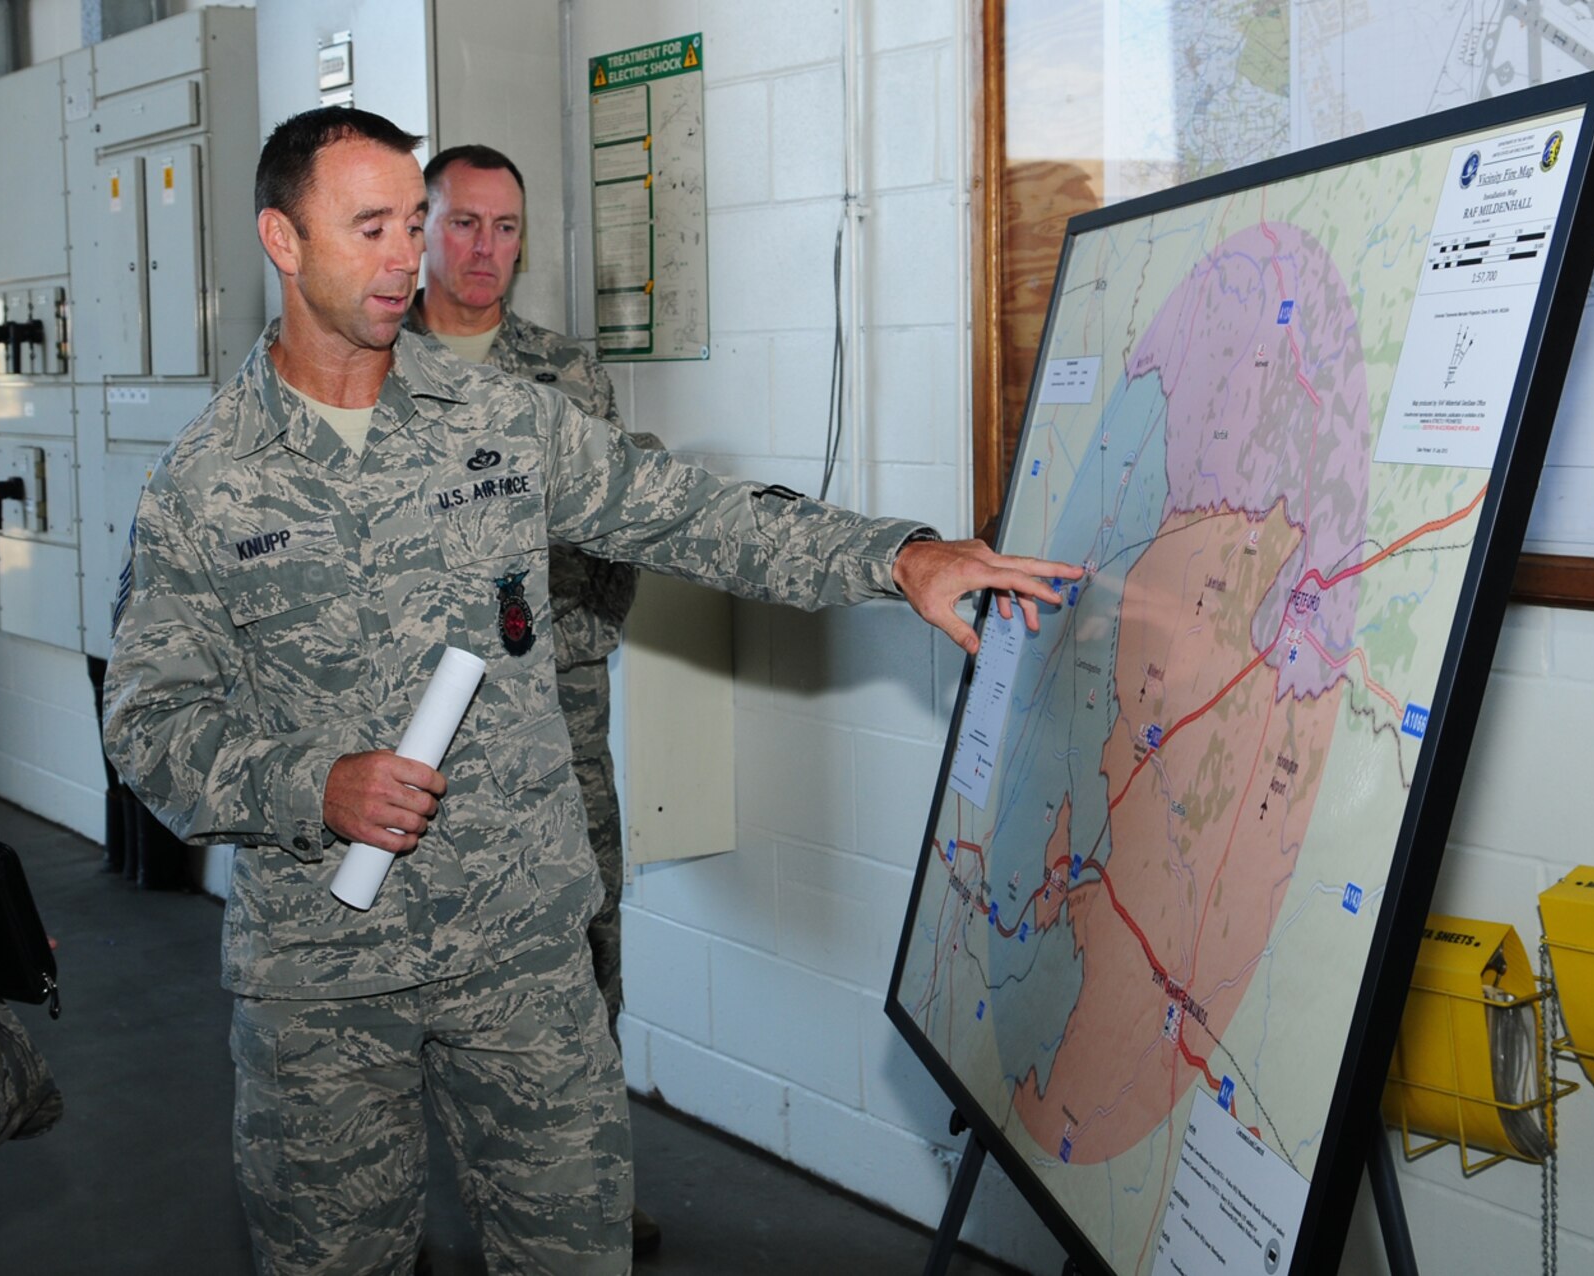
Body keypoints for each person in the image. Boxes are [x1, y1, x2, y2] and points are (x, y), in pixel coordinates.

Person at [101, 106, 1078, 1276]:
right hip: (323, 975)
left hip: (520, 952)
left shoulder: (502, 419)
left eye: (411, 222)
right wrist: (310, 785)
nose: (403, 255)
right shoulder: (204, 482)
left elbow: (689, 514)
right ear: (280, 237)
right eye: (368, 228)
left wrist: (895, 555)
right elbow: (150, 723)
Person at [403, 142, 667, 1253]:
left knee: (582, 938)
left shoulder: (566, 373)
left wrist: (555, 645)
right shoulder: (372, 362)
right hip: (409, 729)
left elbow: (614, 543)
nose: (483, 250)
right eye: (462, 223)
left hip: (555, 723)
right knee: (401, 965)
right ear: (417, 229)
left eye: (504, 227)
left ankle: (581, 1187)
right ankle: (393, 1197)